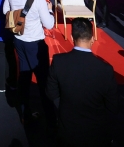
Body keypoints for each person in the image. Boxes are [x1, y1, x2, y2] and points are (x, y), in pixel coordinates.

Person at [45, 18, 118, 147]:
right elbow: (112, 105)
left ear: (72, 38)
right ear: (93, 38)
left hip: (67, 130)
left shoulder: (58, 61)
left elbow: (51, 94)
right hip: (96, 133)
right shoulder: (105, 70)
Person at [4, 0, 54, 123]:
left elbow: (6, 11)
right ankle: (49, 115)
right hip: (35, 43)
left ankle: (25, 112)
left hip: (18, 39)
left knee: (24, 75)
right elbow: (49, 24)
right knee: (42, 79)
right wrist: (50, 10)